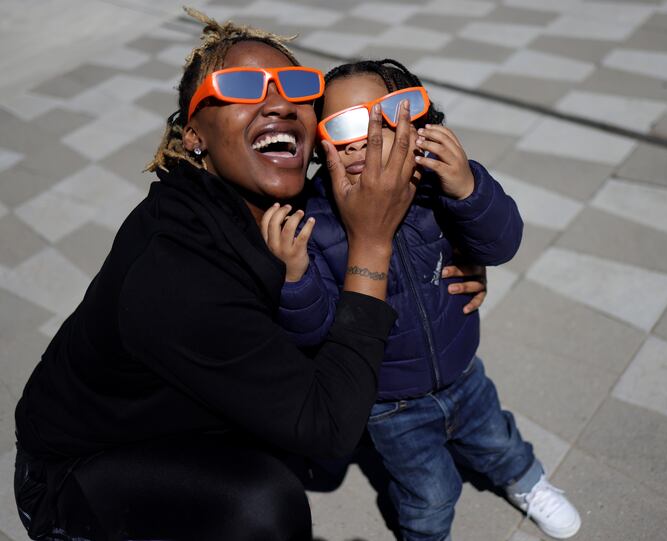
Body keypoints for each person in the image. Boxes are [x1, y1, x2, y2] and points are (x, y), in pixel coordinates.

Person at [13, 10, 420, 541]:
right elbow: (330, 427)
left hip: (186, 408)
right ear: (194, 137)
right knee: (265, 504)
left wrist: (451, 258)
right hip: (80, 471)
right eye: (241, 88)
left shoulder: (280, 199)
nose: (278, 102)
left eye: (298, 88)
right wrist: (373, 243)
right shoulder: (176, 275)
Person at [273, 59, 582, 541]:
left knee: (499, 442)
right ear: (320, 143)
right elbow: (314, 331)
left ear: (416, 123)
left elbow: (501, 245)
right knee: (429, 490)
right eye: (341, 126)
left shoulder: (437, 188)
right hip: (389, 403)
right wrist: (295, 280)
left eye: (382, 119)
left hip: (463, 370)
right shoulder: (315, 222)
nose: (364, 140)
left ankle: (528, 482)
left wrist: (469, 187)